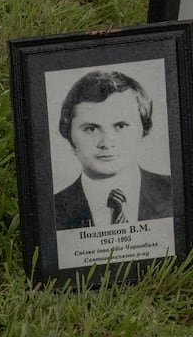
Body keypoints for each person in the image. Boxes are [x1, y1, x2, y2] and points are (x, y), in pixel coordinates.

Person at [53, 70, 173, 231]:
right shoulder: (51, 209)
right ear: (69, 134)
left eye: (121, 126)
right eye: (91, 129)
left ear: (142, 128)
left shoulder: (175, 191)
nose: (106, 143)